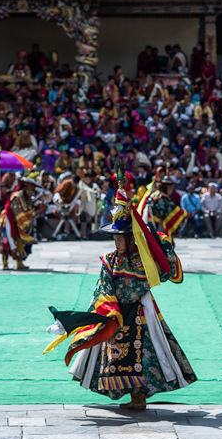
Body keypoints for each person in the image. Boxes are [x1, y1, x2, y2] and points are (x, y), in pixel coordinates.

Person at [44, 176, 195, 410]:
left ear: (131, 238)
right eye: (114, 237)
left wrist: (162, 244)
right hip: (116, 314)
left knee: (146, 355)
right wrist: (108, 308)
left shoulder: (143, 260)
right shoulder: (110, 260)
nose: (116, 242)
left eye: (120, 237)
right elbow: (102, 285)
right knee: (112, 355)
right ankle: (126, 392)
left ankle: (139, 396)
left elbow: (167, 272)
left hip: (141, 314)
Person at [0, 175, 41, 270]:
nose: (32, 193)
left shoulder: (26, 198)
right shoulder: (17, 197)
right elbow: (18, 213)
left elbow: (28, 210)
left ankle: (19, 262)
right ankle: (5, 263)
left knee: (19, 243)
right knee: (7, 241)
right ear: (26, 189)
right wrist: (28, 220)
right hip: (9, 220)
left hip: (18, 222)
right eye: (31, 191)